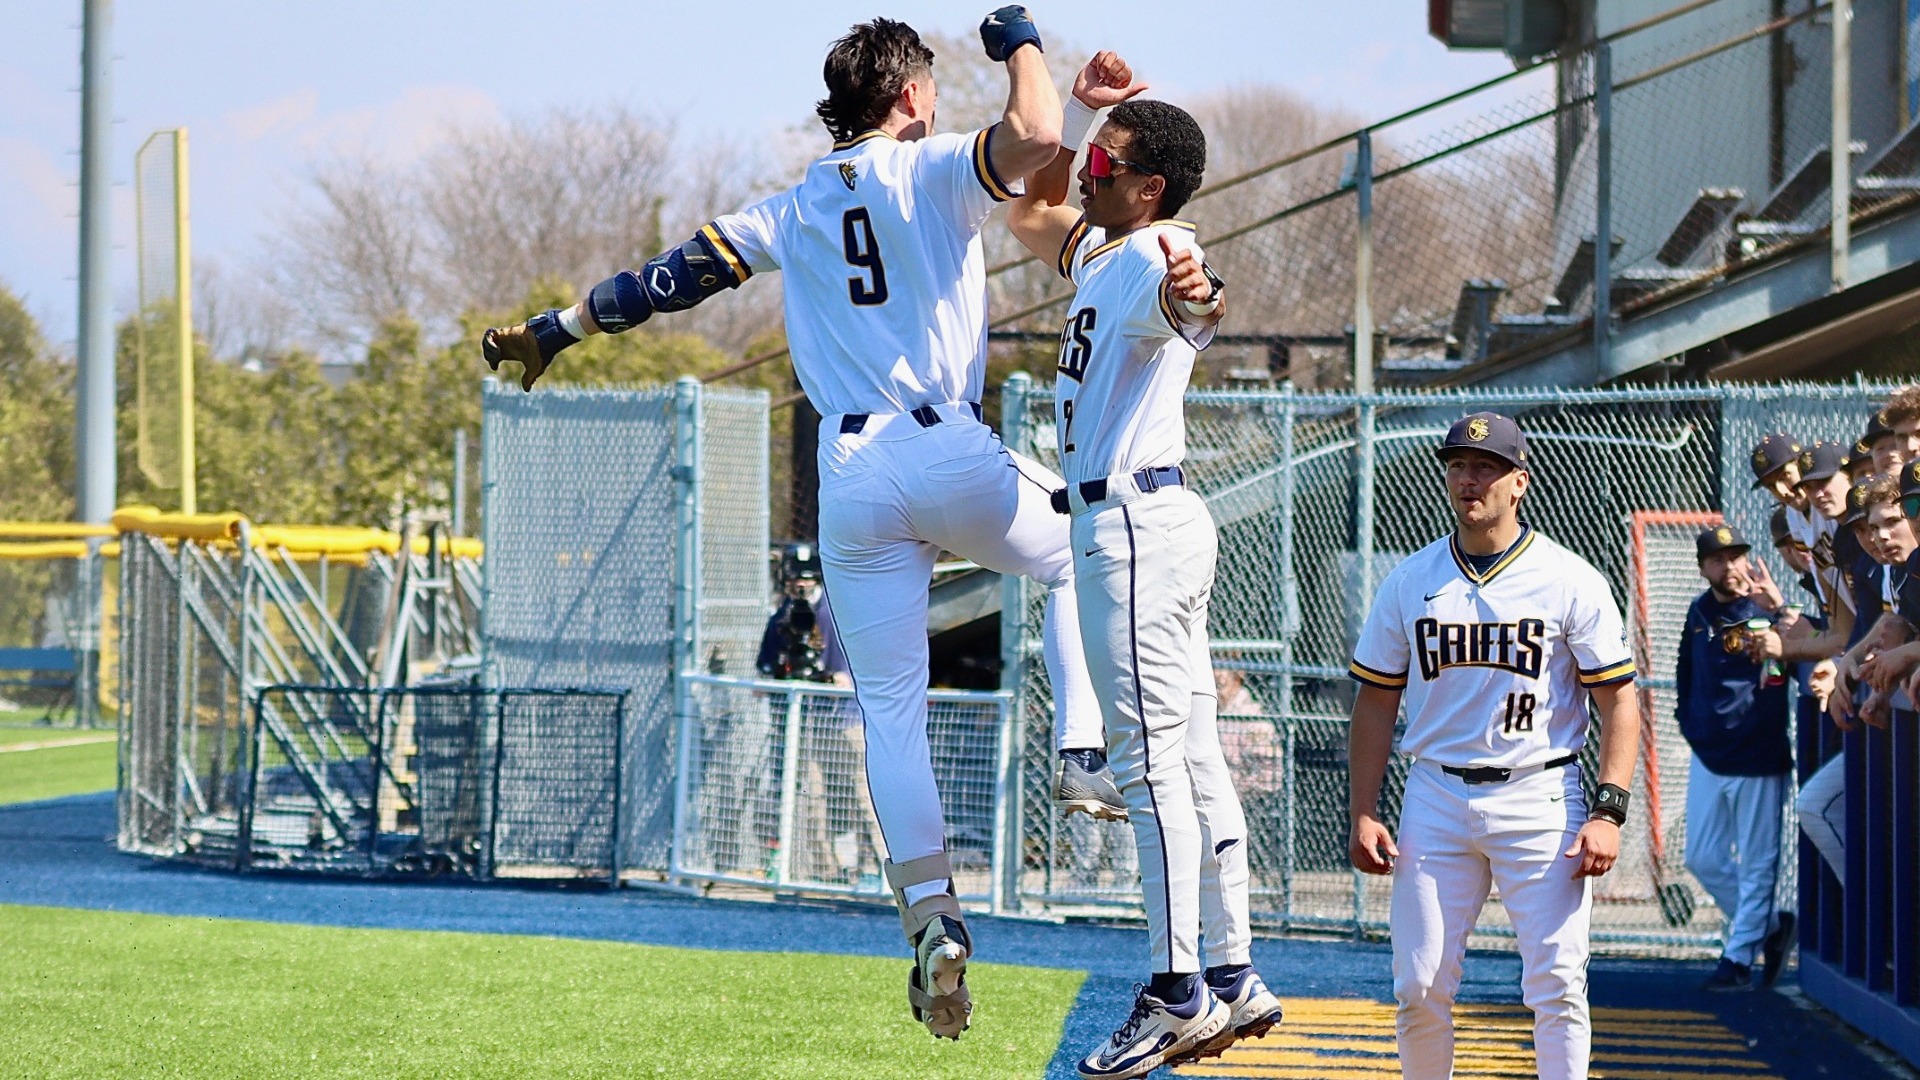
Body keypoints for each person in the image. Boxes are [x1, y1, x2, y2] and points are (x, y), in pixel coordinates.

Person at [477, 9, 1109, 1039]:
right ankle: (1083, 751)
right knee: (1090, 548)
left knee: (892, 711)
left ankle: (932, 919)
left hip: (852, 475)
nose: (938, 98)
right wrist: (1021, 39)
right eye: (932, 86)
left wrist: (558, 327)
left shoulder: (795, 204)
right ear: (909, 97)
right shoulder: (938, 166)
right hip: (944, 445)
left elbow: (660, 284)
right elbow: (1037, 136)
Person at [1003, 51, 1280, 1079]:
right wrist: (1081, 109)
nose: (1088, 169)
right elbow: (1031, 211)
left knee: (1153, 762)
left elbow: (1194, 300)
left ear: (1149, 185)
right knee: (1192, 756)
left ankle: (1175, 991)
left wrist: (1204, 293)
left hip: (1128, 527)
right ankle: (1232, 969)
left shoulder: (1157, 244)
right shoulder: (1112, 246)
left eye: (1107, 159)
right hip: (1148, 519)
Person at [1346, 412, 1641, 1080]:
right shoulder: (1410, 580)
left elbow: (1619, 699)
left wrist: (1608, 810)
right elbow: (1375, 699)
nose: (1467, 479)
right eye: (1456, 465)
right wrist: (1364, 809)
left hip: (1541, 793)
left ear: (1519, 483)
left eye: (1485, 467)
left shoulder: (1569, 578)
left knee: (1557, 983)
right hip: (1436, 793)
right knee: (1418, 986)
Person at [1677, 525, 1796, 992]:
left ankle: (1738, 958)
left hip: (1757, 753)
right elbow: (1685, 673)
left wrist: (1780, 610)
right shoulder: (1699, 611)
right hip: (1708, 752)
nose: (1730, 566)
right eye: (1719, 559)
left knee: (1757, 862)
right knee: (1702, 857)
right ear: (1704, 566)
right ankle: (1770, 927)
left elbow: (1791, 660)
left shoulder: (1764, 609)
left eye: (1736, 556)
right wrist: (1690, 723)